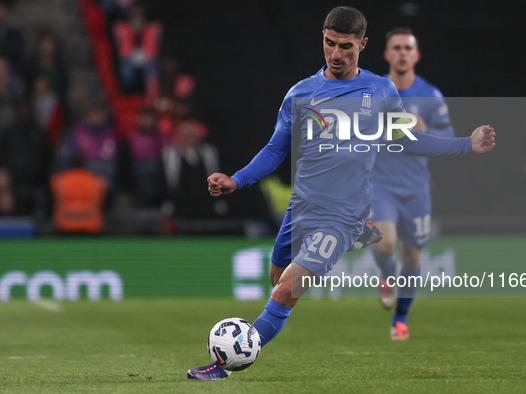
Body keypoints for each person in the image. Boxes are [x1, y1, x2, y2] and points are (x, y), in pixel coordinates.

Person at [188, 6, 495, 380]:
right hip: (301, 209)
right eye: (329, 43)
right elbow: (274, 150)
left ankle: (226, 366)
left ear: (362, 45)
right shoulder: (301, 93)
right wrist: (237, 180)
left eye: (345, 47)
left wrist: (466, 144)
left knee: (285, 291)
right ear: (322, 37)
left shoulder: (380, 90)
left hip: (342, 215)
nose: (336, 54)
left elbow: (407, 139)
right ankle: (356, 239)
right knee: (277, 278)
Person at [370, 28, 456, 341]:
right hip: (381, 184)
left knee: (413, 258)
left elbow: (448, 138)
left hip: (417, 188)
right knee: (384, 242)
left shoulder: (430, 95)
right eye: (397, 47)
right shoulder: (375, 91)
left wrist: (426, 128)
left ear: (416, 55)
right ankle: (384, 274)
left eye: (408, 47)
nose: (403, 52)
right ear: (387, 54)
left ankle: (400, 319)